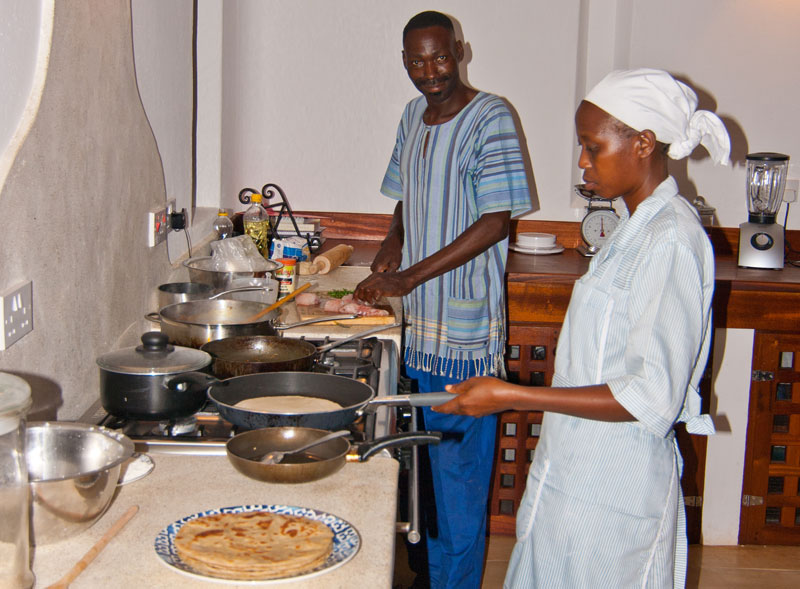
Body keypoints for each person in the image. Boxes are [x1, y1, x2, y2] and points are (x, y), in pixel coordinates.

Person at [434, 68, 731, 588]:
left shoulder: (673, 239)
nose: (582, 161)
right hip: (573, 474)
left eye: (593, 147)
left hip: (615, 488)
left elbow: (648, 397)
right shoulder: (630, 229)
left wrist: (512, 394)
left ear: (642, 143)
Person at [354, 10, 531, 589]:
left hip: (463, 337)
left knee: (457, 490)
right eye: (416, 61)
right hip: (420, 334)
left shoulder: (491, 117)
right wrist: (391, 242)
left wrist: (409, 278)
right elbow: (407, 192)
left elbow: (496, 221)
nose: (429, 71)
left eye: (439, 57)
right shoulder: (413, 116)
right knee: (423, 483)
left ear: (462, 50)